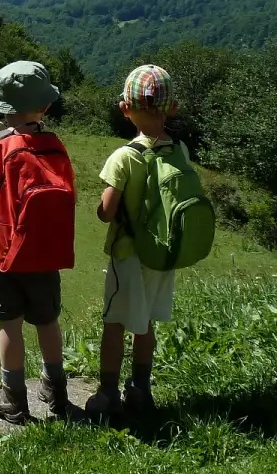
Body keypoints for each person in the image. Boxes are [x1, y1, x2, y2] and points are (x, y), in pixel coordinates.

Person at [0, 60, 77, 424]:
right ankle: (56, 390)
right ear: (45, 106)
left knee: (9, 323)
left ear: (2, 106)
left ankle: (13, 398)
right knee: (47, 320)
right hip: (46, 249)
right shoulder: (54, 144)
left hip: (5, 251)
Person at [85, 63, 181, 416]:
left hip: (127, 253)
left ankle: (107, 394)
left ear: (126, 108)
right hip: (161, 254)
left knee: (115, 322)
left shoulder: (124, 156)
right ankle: (141, 389)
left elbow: (107, 212)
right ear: (172, 107)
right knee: (146, 323)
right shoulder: (179, 152)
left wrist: (100, 208)